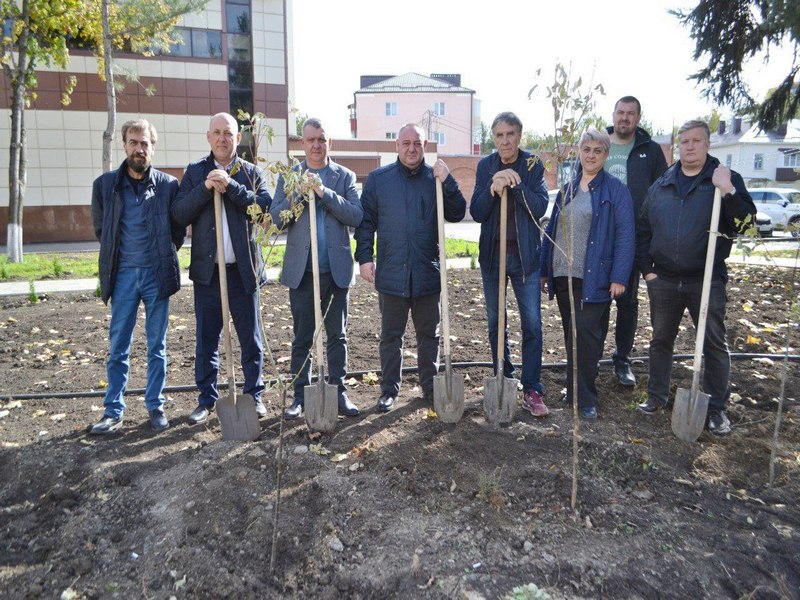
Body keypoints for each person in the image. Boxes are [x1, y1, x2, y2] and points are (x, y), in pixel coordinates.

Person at [636, 120, 756, 435]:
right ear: (678, 146)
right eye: (684, 141)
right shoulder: (662, 183)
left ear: (707, 145)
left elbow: (746, 225)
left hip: (707, 279)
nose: (689, 147)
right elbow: (644, 228)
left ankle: (716, 409)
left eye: (696, 141)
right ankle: (656, 396)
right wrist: (647, 270)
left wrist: (728, 191)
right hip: (663, 280)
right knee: (661, 340)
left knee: (714, 343)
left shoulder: (724, 179)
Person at [354, 123, 466, 411]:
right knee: (391, 336)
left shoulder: (436, 179)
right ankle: (389, 389)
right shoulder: (379, 180)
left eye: (417, 143)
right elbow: (365, 223)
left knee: (430, 334)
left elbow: (456, 212)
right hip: (391, 272)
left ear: (425, 145)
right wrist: (365, 257)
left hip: (427, 272)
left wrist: (449, 181)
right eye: (406, 143)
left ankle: (430, 387)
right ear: (397, 146)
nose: (412, 148)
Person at [172, 112, 272, 425]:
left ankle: (254, 396)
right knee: (206, 340)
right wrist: (205, 188)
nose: (222, 138)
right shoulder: (195, 171)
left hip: (242, 272)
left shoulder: (250, 171)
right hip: (208, 274)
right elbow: (179, 212)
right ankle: (206, 400)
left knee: (250, 340)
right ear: (208, 137)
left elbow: (263, 207)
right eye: (216, 132)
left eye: (228, 133)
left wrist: (231, 188)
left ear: (237, 138)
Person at [89, 119, 185, 434]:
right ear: (125, 144)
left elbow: (177, 232)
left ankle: (155, 407)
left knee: (157, 345)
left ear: (152, 147)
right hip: (124, 276)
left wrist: (159, 253)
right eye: (133, 142)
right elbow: (103, 231)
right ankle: (112, 411)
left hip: (156, 274)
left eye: (144, 143)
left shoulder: (169, 186)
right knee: (119, 345)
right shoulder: (105, 186)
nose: (139, 148)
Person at [270, 118, 363, 420]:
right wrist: (299, 193)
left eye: (321, 139)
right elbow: (277, 218)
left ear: (329, 142)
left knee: (337, 336)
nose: (316, 145)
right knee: (302, 337)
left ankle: (338, 392)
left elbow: (356, 216)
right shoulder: (290, 177)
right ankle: (299, 396)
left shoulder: (344, 176)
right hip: (302, 272)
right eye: (310, 140)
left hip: (335, 271)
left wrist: (324, 192)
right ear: (302, 144)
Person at [541, 128, 635, 419]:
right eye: (586, 149)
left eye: (597, 150)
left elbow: (626, 235)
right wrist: (546, 269)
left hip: (594, 276)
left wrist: (619, 277)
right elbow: (553, 229)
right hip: (562, 274)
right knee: (572, 334)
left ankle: (586, 399)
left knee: (588, 335)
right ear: (578, 153)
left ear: (606, 155)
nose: (591, 155)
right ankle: (573, 388)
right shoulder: (568, 189)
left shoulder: (615, 191)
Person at [470, 112, 550, 417]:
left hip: (526, 259)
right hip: (493, 258)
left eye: (511, 134)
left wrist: (514, 187)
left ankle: (532, 388)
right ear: (494, 137)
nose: (505, 140)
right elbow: (477, 211)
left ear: (519, 136)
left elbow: (540, 206)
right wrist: (493, 187)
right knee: (496, 322)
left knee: (531, 323)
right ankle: (503, 377)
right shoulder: (485, 166)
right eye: (500, 135)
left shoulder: (532, 164)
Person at [604, 96, 668, 386]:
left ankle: (622, 360)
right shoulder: (600, 144)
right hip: (600, 237)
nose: (625, 118)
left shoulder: (650, 151)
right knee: (595, 302)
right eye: (620, 112)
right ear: (613, 115)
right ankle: (590, 357)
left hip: (631, 237)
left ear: (638, 118)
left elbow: (663, 194)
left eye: (631, 114)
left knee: (627, 303)